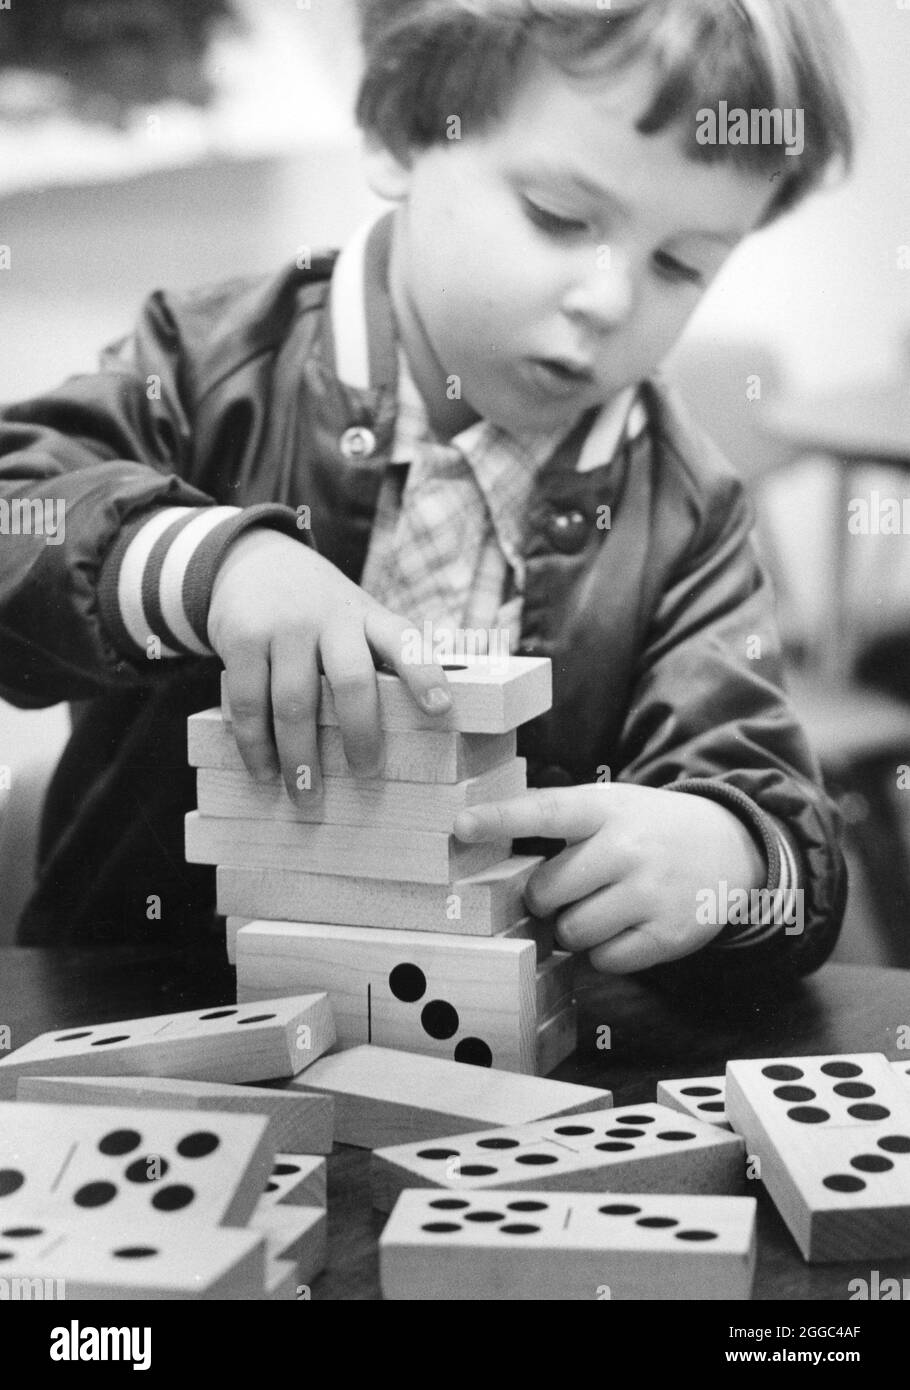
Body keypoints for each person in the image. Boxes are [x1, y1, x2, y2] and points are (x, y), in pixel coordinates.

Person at [0, 0, 856, 983]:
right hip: (157, 1024)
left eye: (680, 265)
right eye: (557, 217)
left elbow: (788, 831)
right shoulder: (208, 368)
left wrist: (731, 857)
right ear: (402, 132)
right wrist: (211, 568)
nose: (608, 300)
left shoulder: (685, 512)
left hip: (518, 1073)